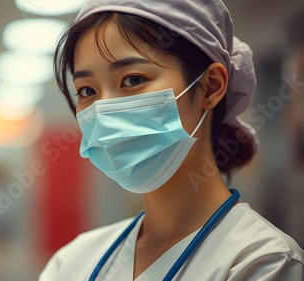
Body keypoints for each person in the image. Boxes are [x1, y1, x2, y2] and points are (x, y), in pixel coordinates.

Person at [39, 0, 304, 280]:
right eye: (87, 90)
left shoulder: (261, 262)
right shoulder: (71, 263)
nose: (104, 110)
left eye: (132, 79)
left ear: (210, 86)